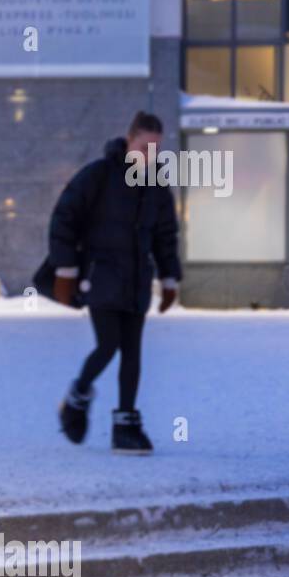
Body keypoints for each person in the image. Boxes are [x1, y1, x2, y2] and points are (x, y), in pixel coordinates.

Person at [51, 111, 181, 454]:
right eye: (144, 147)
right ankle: (76, 398)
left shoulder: (155, 185)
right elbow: (65, 217)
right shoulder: (99, 175)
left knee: (133, 352)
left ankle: (125, 424)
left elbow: (165, 236)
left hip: (137, 281)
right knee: (108, 345)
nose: (149, 155)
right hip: (102, 278)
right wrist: (66, 270)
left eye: (155, 149)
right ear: (129, 140)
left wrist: (169, 278)